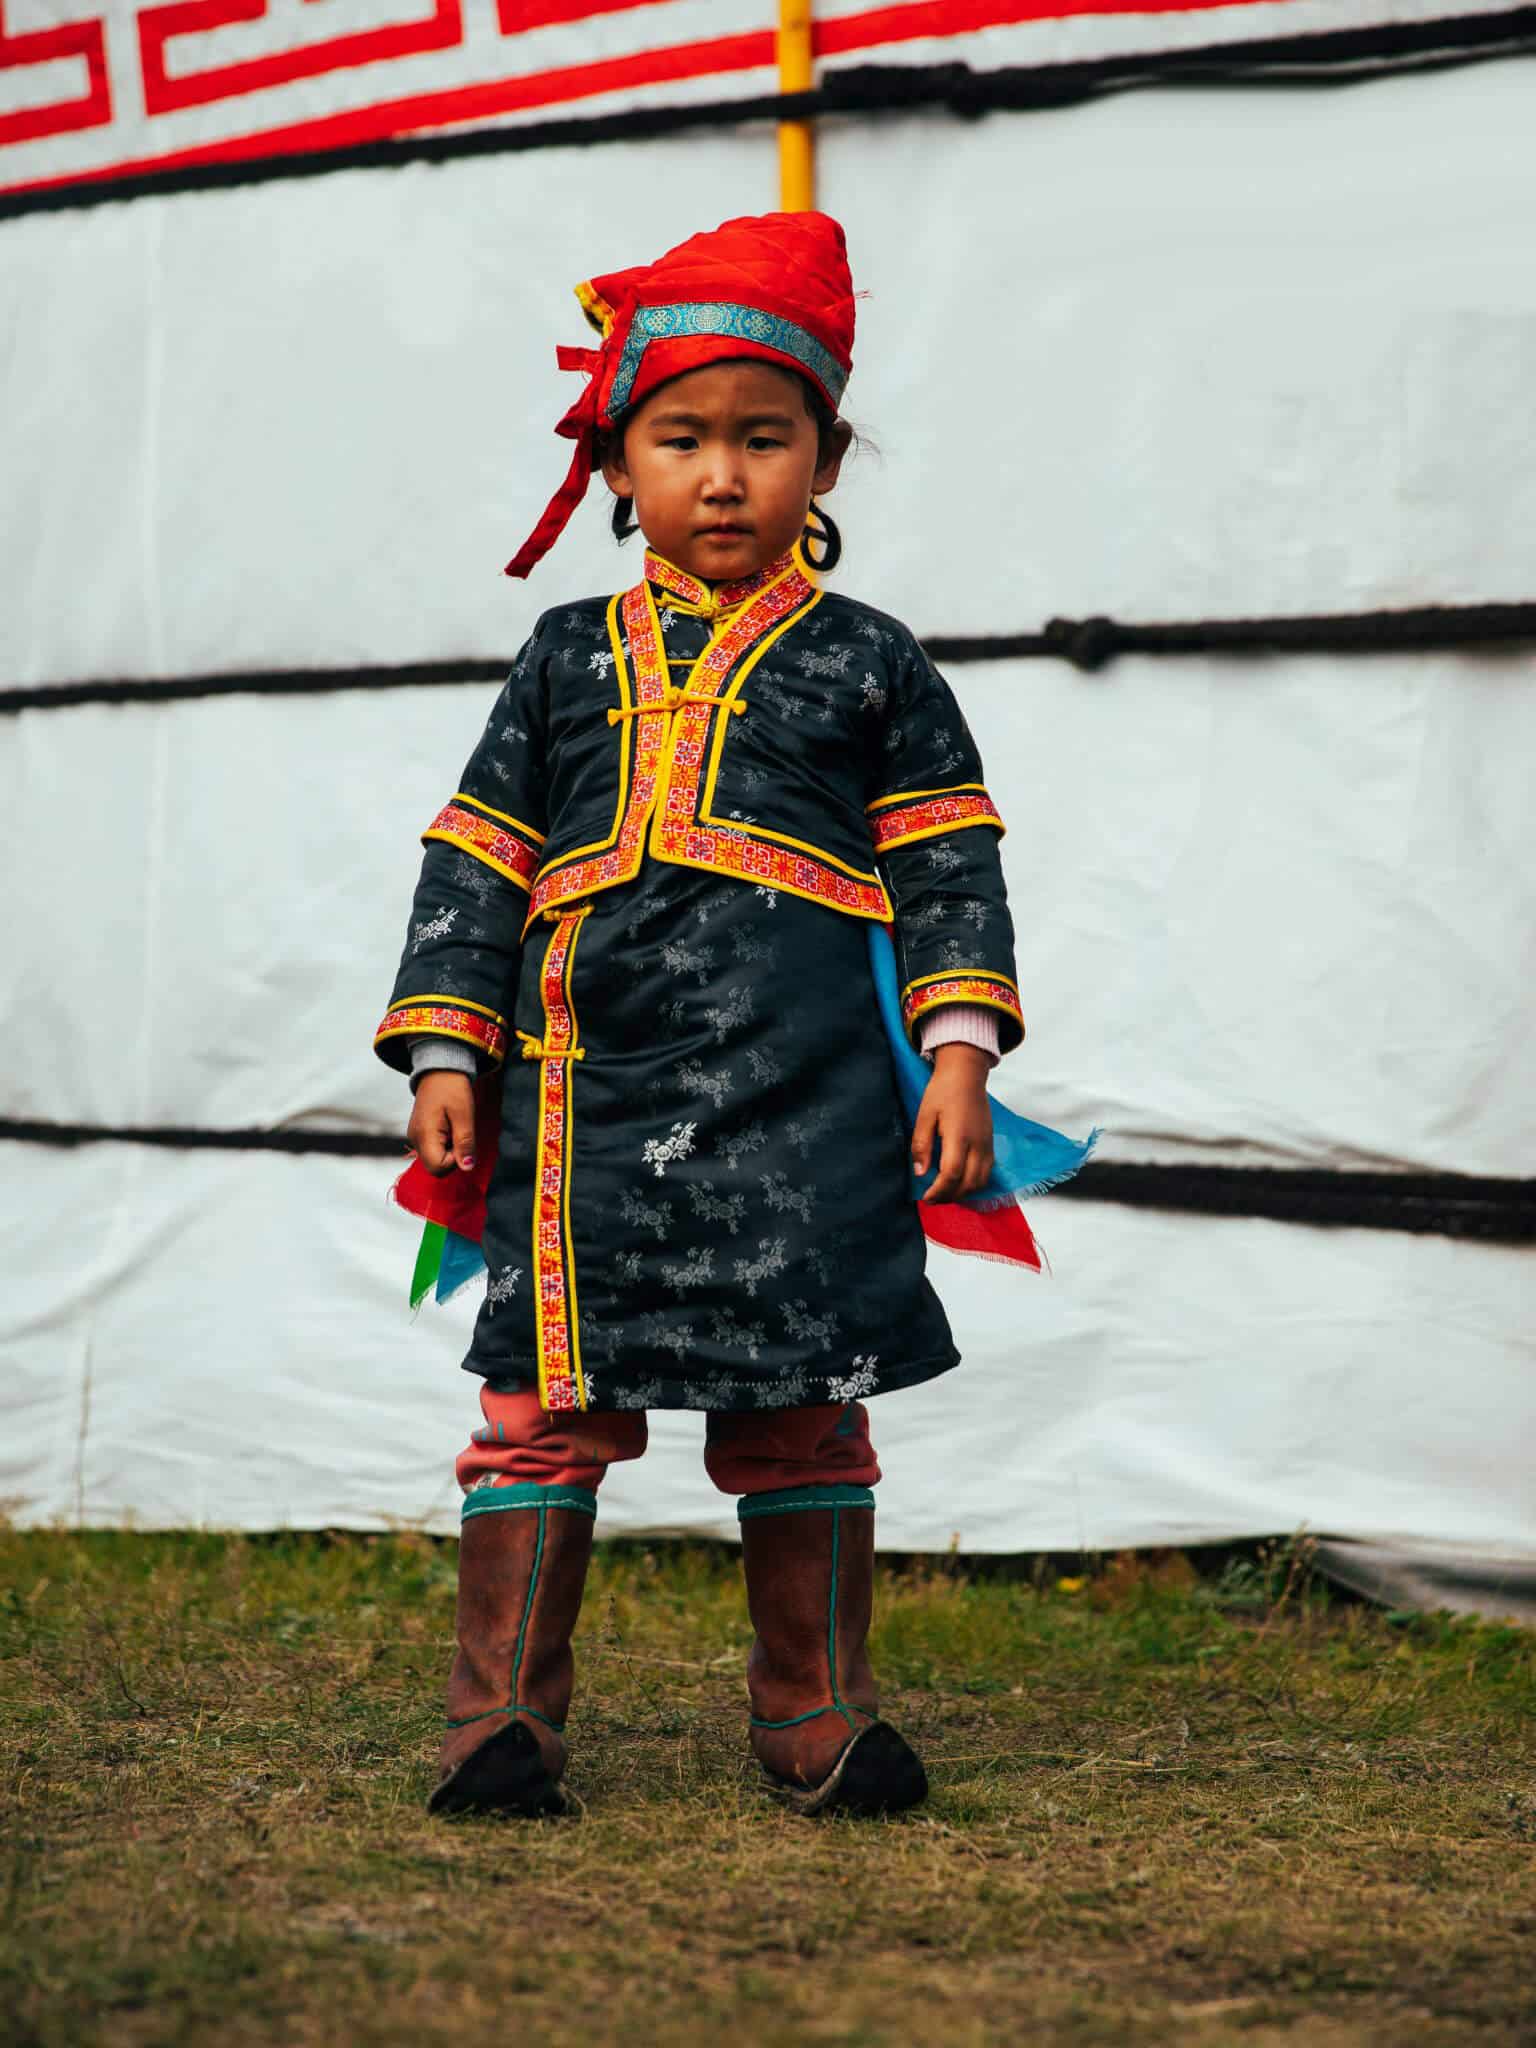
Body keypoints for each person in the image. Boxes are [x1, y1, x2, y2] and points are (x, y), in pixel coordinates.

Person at [375, 211, 1025, 1822]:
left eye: (764, 437)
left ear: (824, 458)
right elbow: (476, 854)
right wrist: (450, 1051)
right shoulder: (562, 659)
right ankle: (498, 1727)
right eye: (682, 440)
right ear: (620, 468)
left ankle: (815, 1718)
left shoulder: (873, 665)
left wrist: (960, 1056)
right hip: (578, 1107)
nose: (723, 476)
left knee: (805, 1404)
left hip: (808, 1103)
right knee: (536, 1412)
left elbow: (950, 861)